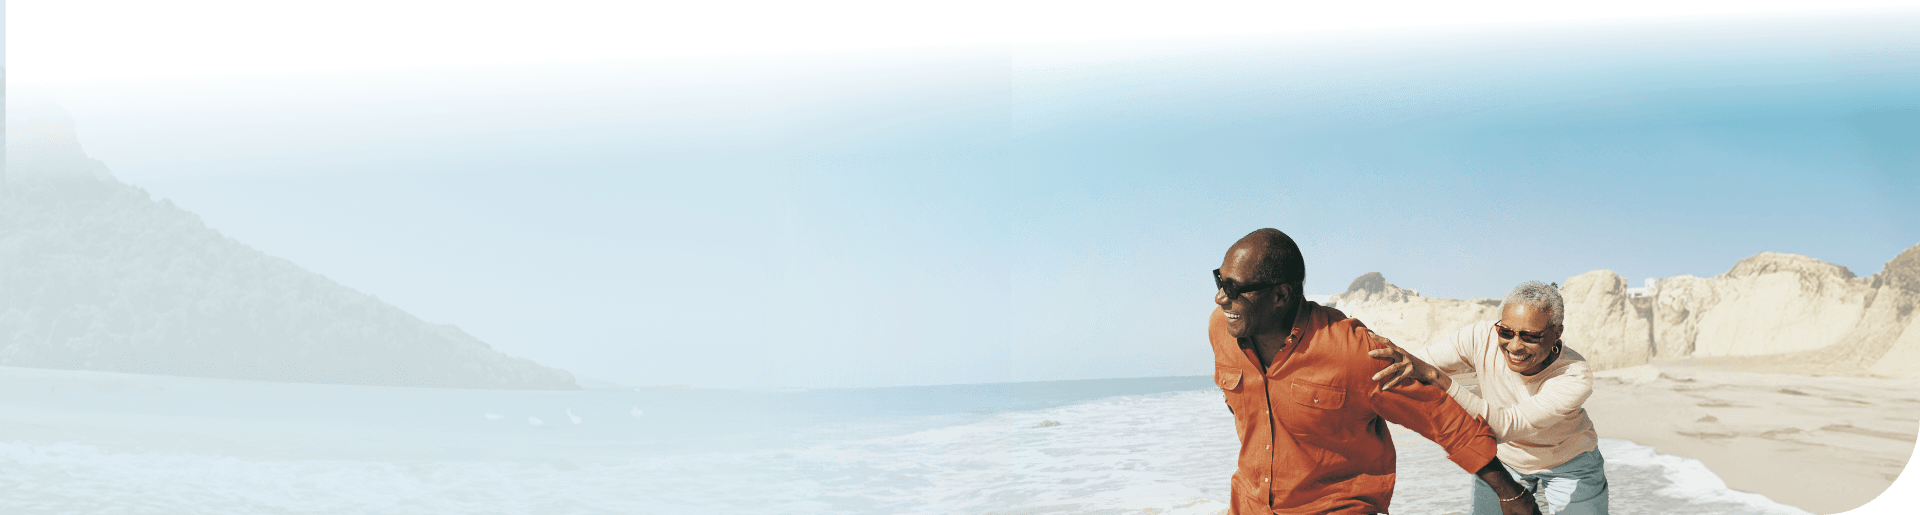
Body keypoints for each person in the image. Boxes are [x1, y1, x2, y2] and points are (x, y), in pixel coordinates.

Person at [1208, 228, 1541, 515]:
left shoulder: (1354, 352)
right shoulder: (1222, 331)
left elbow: (1440, 418)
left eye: (1234, 288)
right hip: (1249, 505)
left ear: (1280, 295)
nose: (1220, 297)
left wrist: (1510, 493)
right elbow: (1241, 403)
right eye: (1220, 281)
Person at [1369, 281, 1608, 515]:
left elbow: (1505, 426)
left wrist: (1435, 377)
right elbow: (1413, 362)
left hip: (1569, 463)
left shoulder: (1574, 374)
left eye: (1530, 336)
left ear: (1557, 333)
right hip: (1504, 459)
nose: (1515, 346)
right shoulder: (1481, 336)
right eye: (1506, 332)